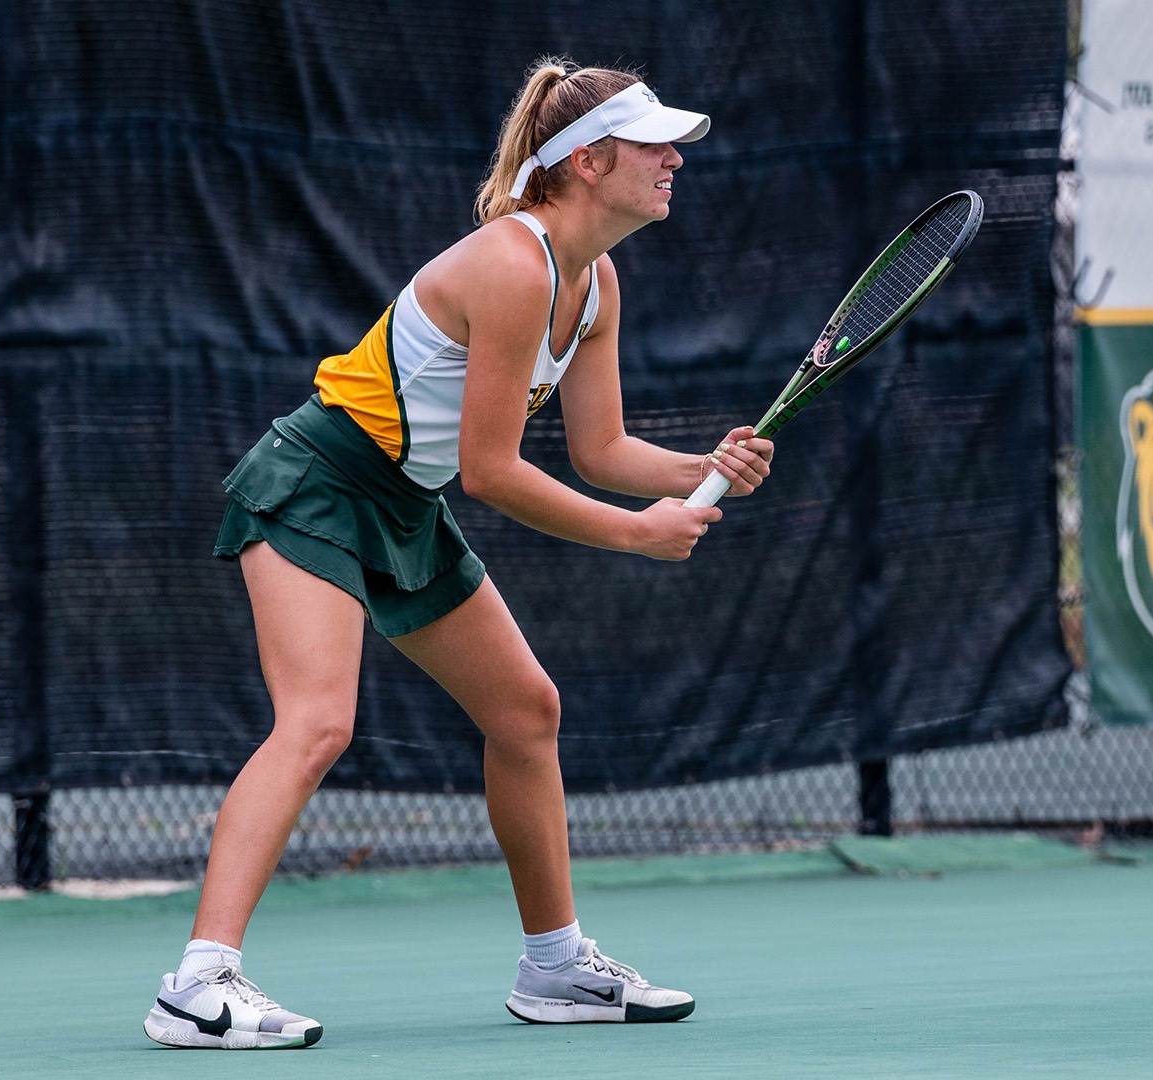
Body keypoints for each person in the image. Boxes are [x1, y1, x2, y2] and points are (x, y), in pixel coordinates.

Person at [143, 58, 775, 1050]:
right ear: (587, 161)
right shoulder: (515, 265)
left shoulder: (594, 280)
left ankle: (557, 968)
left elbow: (601, 447)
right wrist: (637, 534)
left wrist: (700, 465)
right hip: (317, 481)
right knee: (316, 723)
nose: (672, 161)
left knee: (527, 711)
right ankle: (197, 982)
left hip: (405, 499)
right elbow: (489, 470)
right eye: (652, 144)